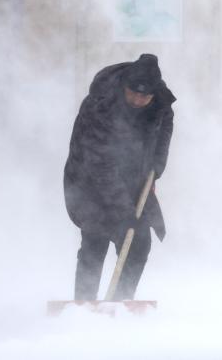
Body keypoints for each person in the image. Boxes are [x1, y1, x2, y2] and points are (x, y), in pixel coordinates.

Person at [63, 53, 176, 301]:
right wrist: (124, 211)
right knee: (96, 237)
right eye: (133, 93)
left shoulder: (160, 103)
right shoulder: (100, 104)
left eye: (144, 96)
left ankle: (119, 303)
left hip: (133, 177)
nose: (137, 100)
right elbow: (99, 164)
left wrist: (156, 166)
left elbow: (164, 129)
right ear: (124, 86)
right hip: (89, 179)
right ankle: (85, 305)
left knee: (139, 241)